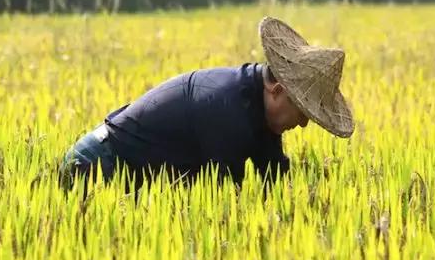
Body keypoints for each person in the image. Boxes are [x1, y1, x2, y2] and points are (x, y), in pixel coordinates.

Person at [58, 16, 354, 189]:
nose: (302, 124)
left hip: (128, 175)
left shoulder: (255, 105)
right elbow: (223, 199)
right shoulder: (227, 109)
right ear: (277, 90)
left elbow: (273, 177)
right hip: (95, 167)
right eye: (303, 112)